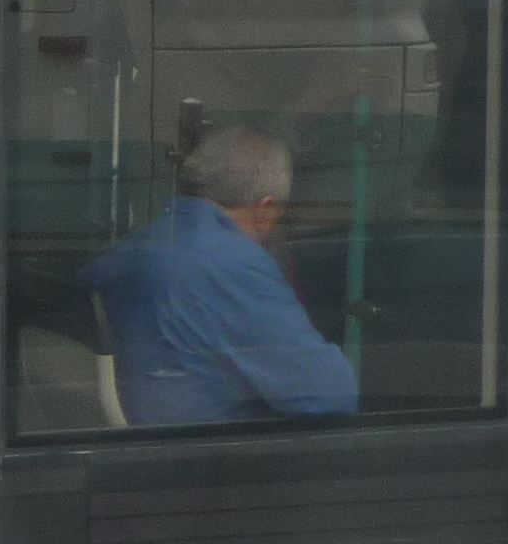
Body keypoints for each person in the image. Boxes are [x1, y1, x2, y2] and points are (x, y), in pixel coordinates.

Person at [81, 128, 357, 426]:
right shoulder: (236, 265)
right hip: (209, 447)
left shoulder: (128, 250)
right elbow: (330, 394)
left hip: (142, 436)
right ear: (266, 209)